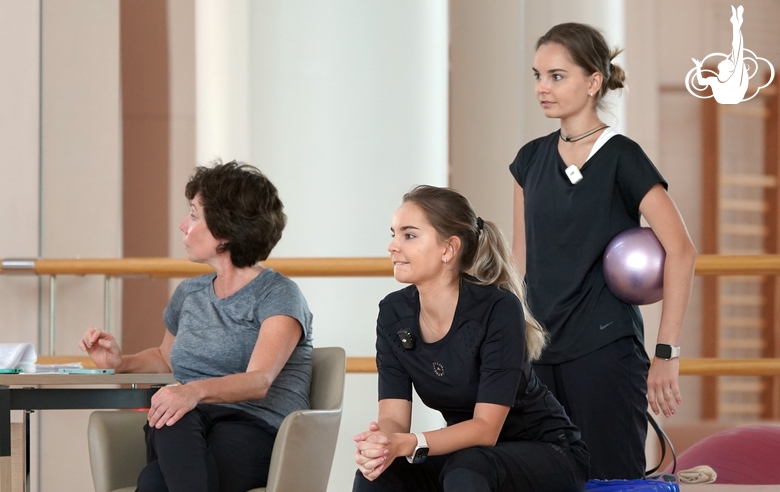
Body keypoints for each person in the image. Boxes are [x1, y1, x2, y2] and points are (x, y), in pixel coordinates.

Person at [510, 23, 697, 480]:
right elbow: (519, 259)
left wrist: (666, 353)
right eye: (537, 75)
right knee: (538, 478)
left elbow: (682, 250)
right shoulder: (530, 159)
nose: (542, 88)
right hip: (537, 351)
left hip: (605, 350)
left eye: (557, 76)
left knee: (612, 480)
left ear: (594, 82)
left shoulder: (622, 156)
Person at [79, 161, 314, 492]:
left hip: (256, 429)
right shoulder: (189, 293)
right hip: (190, 426)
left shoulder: (278, 294)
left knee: (152, 482)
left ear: (225, 229)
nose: (182, 225)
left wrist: (192, 391)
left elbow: (259, 381)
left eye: (193, 215)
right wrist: (120, 363)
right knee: (172, 417)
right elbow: (166, 358)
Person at [352, 185, 589, 492]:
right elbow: (394, 418)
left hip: (548, 451)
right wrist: (382, 444)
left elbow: (486, 430)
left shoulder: (497, 308)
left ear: (448, 249)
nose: (392, 246)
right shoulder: (393, 313)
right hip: (469, 458)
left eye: (408, 235)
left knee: (469, 466)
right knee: (380, 473)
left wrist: (410, 443)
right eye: (393, 233)